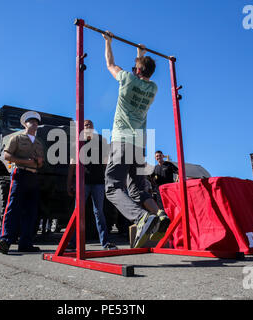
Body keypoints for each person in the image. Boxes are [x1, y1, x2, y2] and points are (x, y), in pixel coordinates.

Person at [102, 31, 170, 248]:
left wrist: (108, 42)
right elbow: (142, 72)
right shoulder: (153, 88)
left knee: (112, 187)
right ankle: (159, 214)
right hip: (140, 146)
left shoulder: (127, 79)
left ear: (137, 70)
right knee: (138, 189)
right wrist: (140, 54)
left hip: (122, 140)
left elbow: (110, 64)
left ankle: (141, 217)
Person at [0, 111, 45, 254]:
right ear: (25, 124)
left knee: (31, 212)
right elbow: (7, 155)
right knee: (13, 207)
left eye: (36, 122)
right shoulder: (17, 138)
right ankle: (5, 240)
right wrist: (26, 161)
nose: (34, 124)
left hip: (33, 176)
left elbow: (41, 163)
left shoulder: (38, 143)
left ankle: (25, 243)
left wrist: (39, 162)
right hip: (20, 174)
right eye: (31, 121)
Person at [67, 119, 117, 250]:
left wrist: (108, 180)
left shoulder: (101, 142)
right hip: (83, 183)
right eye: (85, 125)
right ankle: (73, 242)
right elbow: (72, 165)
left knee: (99, 212)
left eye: (89, 124)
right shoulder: (77, 143)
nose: (87, 126)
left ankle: (105, 243)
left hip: (98, 183)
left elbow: (106, 163)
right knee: (78, 211)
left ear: (93, 127)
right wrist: (69, 183)